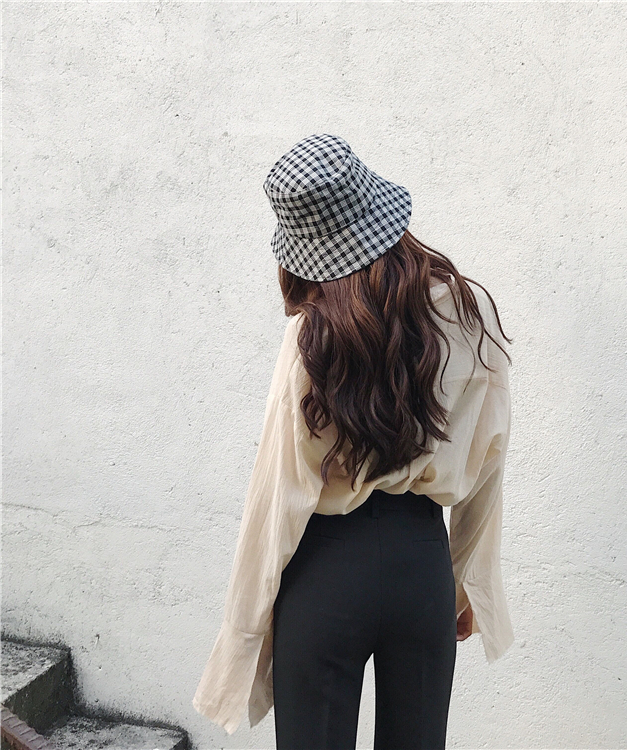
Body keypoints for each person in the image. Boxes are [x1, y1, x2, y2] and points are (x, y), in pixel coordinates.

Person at [192, 134, 515, 750]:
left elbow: (277, 493)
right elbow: (489, 461)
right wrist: (464, 579)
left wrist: (243, 631)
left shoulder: (313, 337)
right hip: (421, 567)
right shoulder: (471, 313)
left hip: (326, 573)